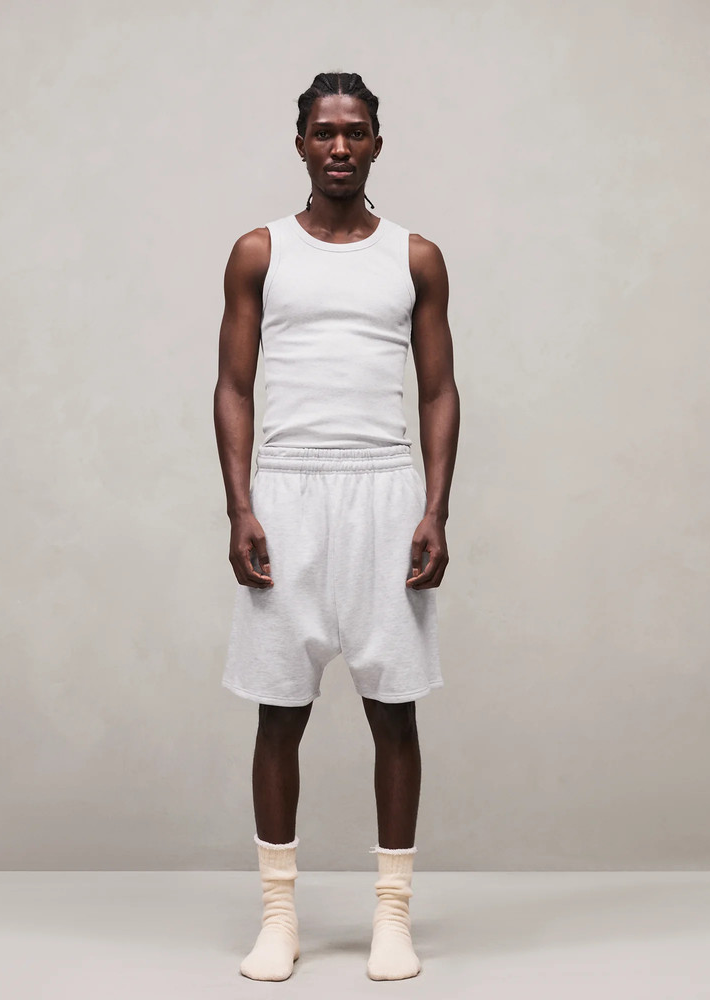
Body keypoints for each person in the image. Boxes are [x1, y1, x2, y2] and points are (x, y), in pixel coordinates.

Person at [213, 71, 459, 982]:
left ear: (378, 143)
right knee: (281, 710)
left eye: (356, 131)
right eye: (325, 132)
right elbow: (233, 385)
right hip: (286, 490)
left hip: (385, 490)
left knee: (394, 711)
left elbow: (438, 390)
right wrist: (242, 505)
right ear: (302, 144)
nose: (340, 146)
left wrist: (434, 508)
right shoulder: (260, 251)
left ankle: (392, 916)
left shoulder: (415, 257)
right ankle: (279, 916)